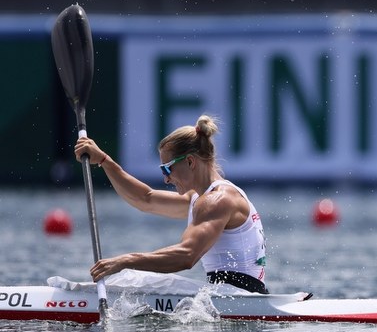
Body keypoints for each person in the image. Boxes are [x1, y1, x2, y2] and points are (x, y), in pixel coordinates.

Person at [73, 115, 269, 294]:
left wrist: (125, 261)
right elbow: (145, 199)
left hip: (240, 300)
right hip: (233, 296)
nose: (166, 179)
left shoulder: (216, 200)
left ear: (190, 162)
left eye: (167, 169)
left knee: (136, 281)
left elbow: (187, 255)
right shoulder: (200, 198)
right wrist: (105, 161)